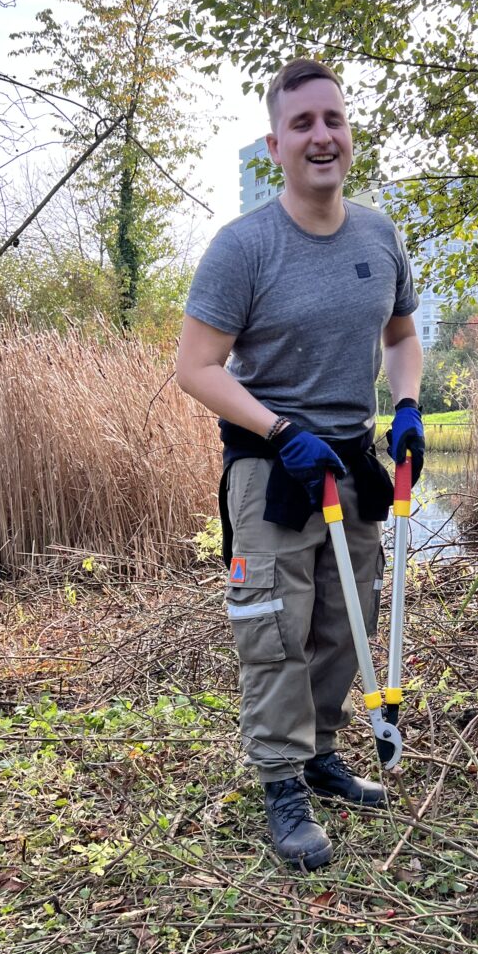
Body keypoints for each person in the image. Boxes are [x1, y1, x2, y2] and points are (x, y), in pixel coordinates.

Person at [175, 57, 424, 871]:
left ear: (348, 133)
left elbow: (400, 334)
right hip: (271, 463)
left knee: (342, 619)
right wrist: (281, 430)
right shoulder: (244, 247)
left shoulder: (380, 234)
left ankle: (319, 752)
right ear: (276, 144)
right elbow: (197, 367)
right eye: (303, 124)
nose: (322, 136)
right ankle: (280, 779)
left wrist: (410, 404)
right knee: (274, 627)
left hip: (352, 459)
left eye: (334, 120)